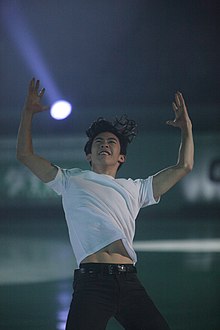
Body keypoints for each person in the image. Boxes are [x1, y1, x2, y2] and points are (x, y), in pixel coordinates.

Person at [17, 78, 194, 330]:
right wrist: (27, 113)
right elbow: (24, 155)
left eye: (111, 142)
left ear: (121, 156)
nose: (105, 144)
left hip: (130, 282)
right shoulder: (69, 179)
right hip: (91, 285)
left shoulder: (136, 188)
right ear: (88, 155)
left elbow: (184, 166)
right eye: (98, 142)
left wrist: (186, 127)